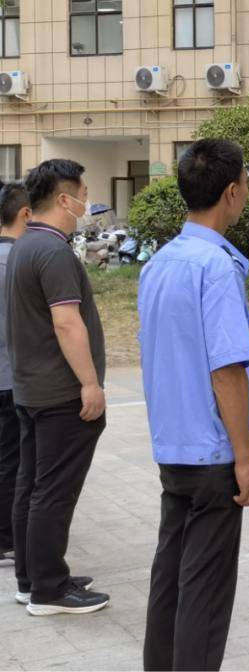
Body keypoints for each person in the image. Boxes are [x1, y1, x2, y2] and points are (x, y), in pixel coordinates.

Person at [138, 139, 249, 671]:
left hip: (173, 445)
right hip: (213, 454)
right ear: (233, 193)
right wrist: (244, 457)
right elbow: (226, 369)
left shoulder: (161, 261)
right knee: (206, 592)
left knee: (170, 574)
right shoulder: (215, 267)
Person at [7, 159, 109, 615]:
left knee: (32, 485)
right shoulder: (52, 251)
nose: (87, 201)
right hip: (60, 393)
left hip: (32, 389)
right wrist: (90, 383)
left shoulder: (25, 245)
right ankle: (49, 589)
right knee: (53, 490)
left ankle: (33, 577)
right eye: (83, 192)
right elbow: (67, 323)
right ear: (65, 199)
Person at [0, 181, 31, 567]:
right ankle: (7, 538)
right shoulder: (21, 263)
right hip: (12, 379)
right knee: (13, 461)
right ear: (25, 214)